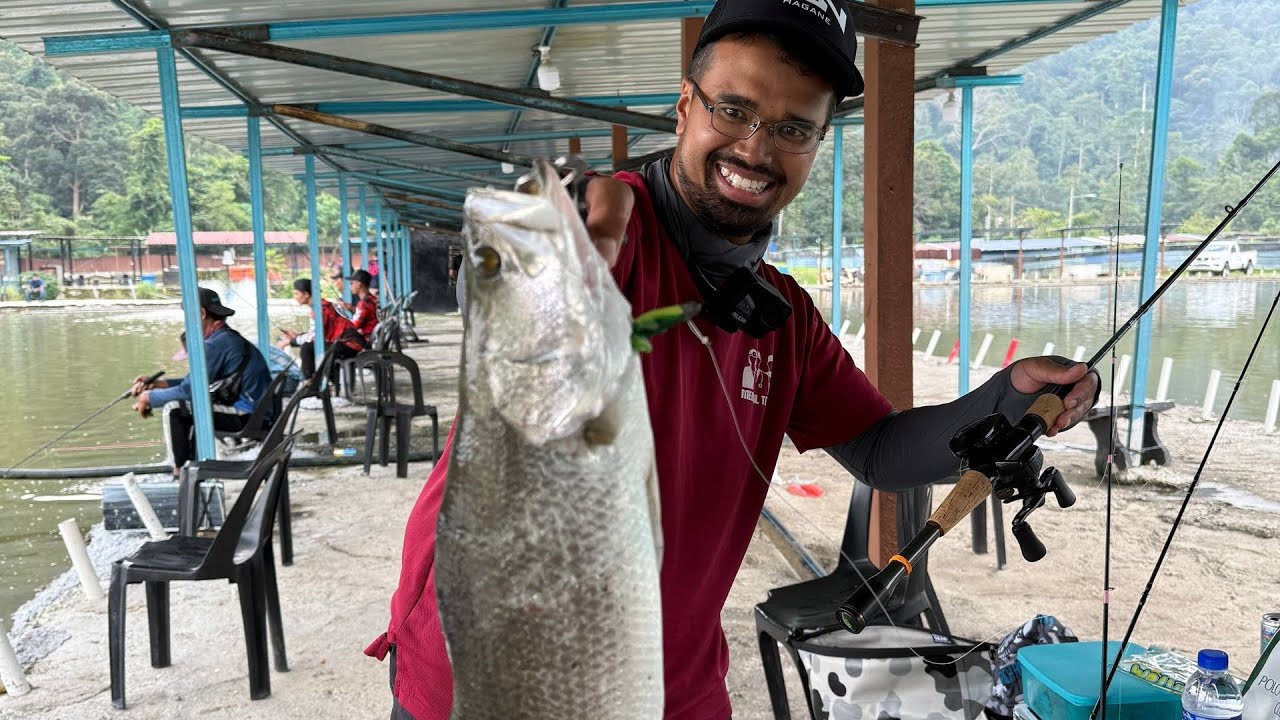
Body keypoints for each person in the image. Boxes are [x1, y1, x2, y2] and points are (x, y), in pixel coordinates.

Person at [366, 2, 1102, 719]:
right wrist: (544, 241)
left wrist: (1008, 395)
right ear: (685, 106)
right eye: (733, 110)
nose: (755, 149)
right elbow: (506, 281)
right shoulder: (610, 236)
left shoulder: (784, 315)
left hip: (671, 680)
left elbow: (879, 453)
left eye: (792, 128)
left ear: (817, 143)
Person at [131, 287, 272, 476]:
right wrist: (160, 384)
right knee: (188, 408)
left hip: (250, 416)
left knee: (174, 409)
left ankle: (180, 473)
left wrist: (148, 397)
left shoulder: (216, 344)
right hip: (259, 414)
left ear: (202, 313)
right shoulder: (224, 338)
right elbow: (196, 383)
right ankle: (190, 467)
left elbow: (189, 391)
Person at [276, 277, 366, 383]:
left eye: (296, 293)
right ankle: (319, 382)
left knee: (307, 347)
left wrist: (291, 341)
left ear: (306, 294)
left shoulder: (320, 309)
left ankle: (309, 383)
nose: (295, 297)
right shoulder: (322, 305)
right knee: (309, 346)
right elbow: (316, 333)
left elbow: (314, 337)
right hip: (346, 342)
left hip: (350, 345)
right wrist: (297, 336)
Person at [344, 269, 380, 342]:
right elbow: (368, 313)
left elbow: (353, 326)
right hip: (374, 337)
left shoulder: (363, 304)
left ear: (359, 284)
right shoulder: (372, 299)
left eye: (352, 283)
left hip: (366, 340)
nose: (350, 287)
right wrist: (353, 309)